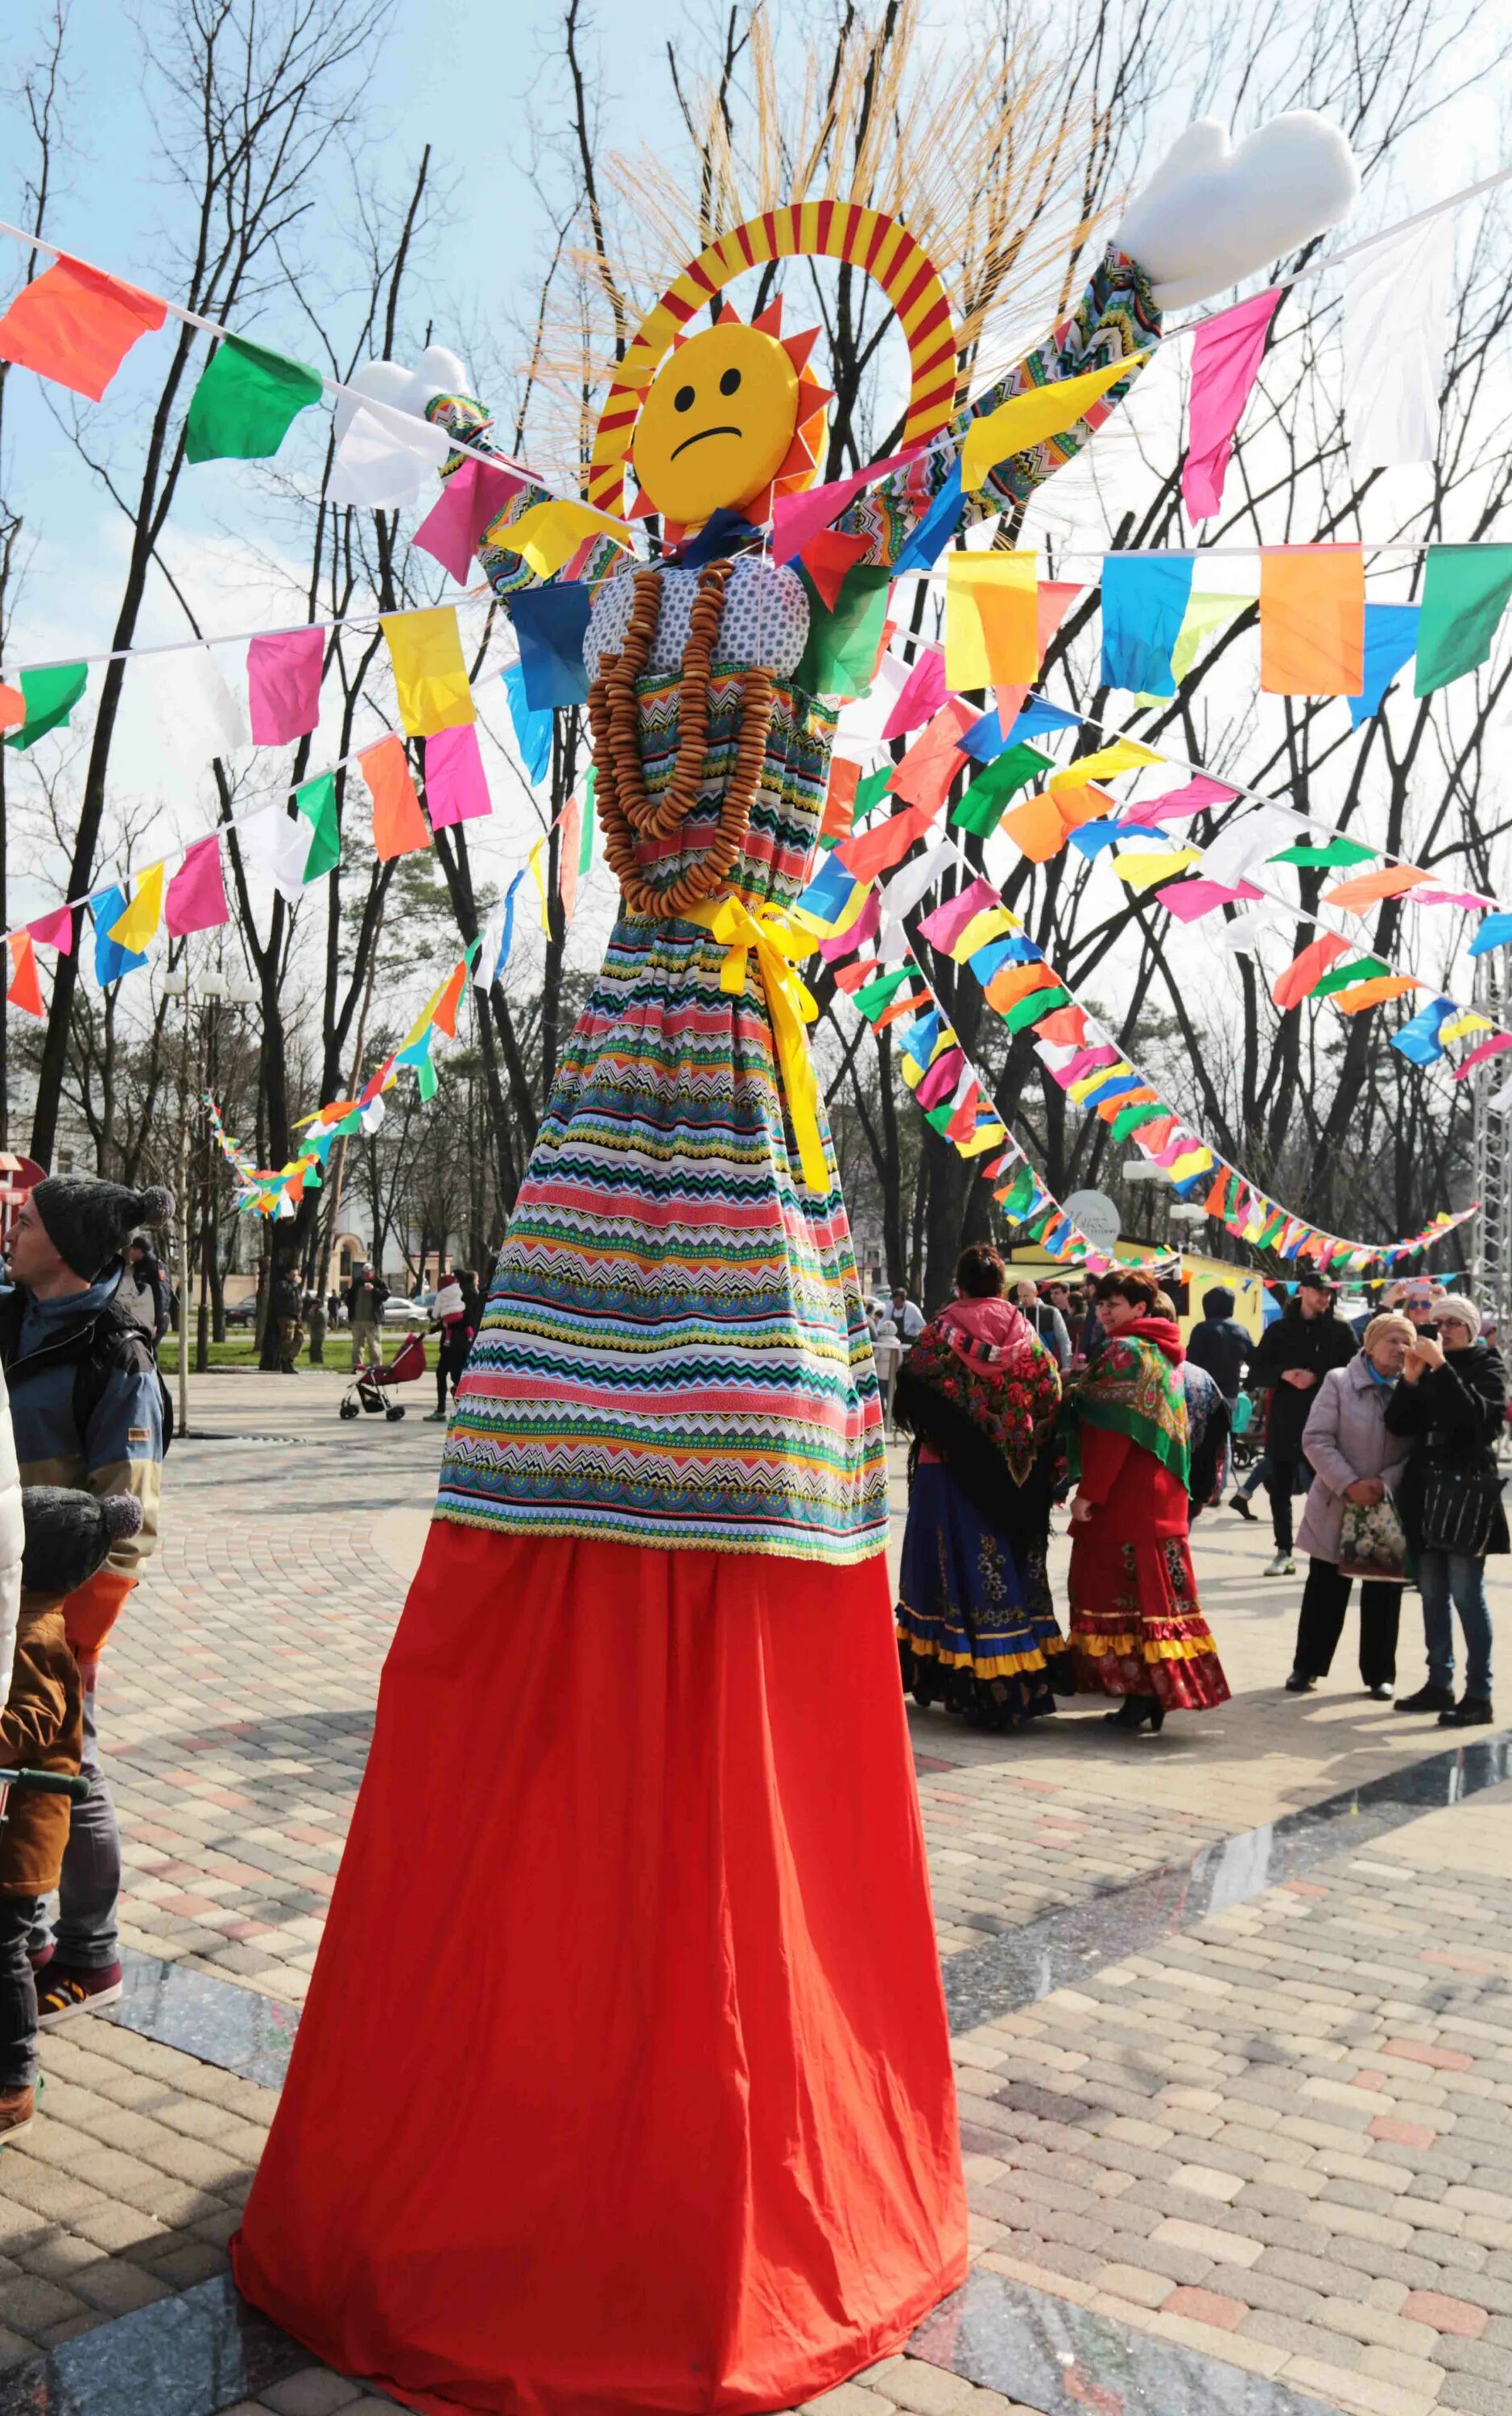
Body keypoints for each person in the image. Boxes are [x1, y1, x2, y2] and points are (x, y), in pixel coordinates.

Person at [233, 113, 1357, 2410]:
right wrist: (437, 457)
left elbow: (972, 482)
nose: (681, 426)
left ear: (790, 422)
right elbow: (513, 559)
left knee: (717, 1473)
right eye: (661, 408)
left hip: (714, 1060)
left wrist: (1122, 303)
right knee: (557, 1465)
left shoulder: (804, 569)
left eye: (723, 402)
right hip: (647, 1069)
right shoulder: (616, 594)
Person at [0, 1177, 169, 2021]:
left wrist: (81, 1640)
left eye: (23, 1220)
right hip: (7, 1582)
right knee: (16, 1763)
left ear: (60, 1247)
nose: (10, 1225)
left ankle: (92, 1952)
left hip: (65, 1600)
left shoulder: (119, 1357)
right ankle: (25, 1928)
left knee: (70, 1763)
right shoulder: (15, 1314)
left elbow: (131, 1521)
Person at [0, 1487, 142, 2139]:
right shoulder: (31, 1619)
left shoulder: (32, 1634)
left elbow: (24, 1723)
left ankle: (15, 2081)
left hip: (19, 1843)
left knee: (3, 1953)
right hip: (16, 1834)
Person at [894, 1244, 1065, 1729]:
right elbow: (1051, 1395)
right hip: (1012, 1477)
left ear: (960, 1283)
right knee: (1005, 1569)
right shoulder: (1028, 1335)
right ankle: (1012, 1673)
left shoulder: (939, 1333)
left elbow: (911, 1390)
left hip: (946, 1471)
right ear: (1002, 1284)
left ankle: (949, 1675)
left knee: (944, 1570)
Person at [1066, 1268, 1229, 1732]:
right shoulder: (1164, 1351)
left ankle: (1138, 1698)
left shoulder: (1123, 1353)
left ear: (1140, 1308)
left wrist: (1089, 1494)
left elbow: (1111, 1437)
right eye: (1100, 1304)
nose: (1103, 1312)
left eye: (1113, 1304)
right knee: (1156, 1602)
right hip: (1162, 1500)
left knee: (1121, 1602)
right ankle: (1155, 1696)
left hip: (1126, 1500)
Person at [1386, 1293, 1506, 1727]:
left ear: (1471, 1328)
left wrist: (1441, 1368)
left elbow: (1477, 1419)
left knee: (1465, 1594)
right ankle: (1440, 1681)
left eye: (1454, 1322)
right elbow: (1398, 1425)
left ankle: (1479, 1693)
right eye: (1438, 1322)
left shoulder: (1487, 1366)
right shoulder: (1430, 1367)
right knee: (1432, 1593)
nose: (1444, 1329)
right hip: (1425, 1488)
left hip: (1466, 1488)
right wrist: (1411, 1381)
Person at [1287, 1312, 1413, 1699]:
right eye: (1391, 1340)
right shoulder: (1339, 1381)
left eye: (1406, 1341)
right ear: (1370, 1344)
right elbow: (1317, 1439)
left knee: (1383, 1595)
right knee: (1325, 1590)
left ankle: (1379, 1675)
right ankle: (1306, 1668)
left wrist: (1385, 1483)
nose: (1399, 1348)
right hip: (1337, 1502)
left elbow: (1419, 1449)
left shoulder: (1413, 1389)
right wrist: (1349, 1483)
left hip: (1386, 1506)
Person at [1246, 1264, 1357, 1577]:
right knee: (1279, 1487)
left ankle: (1333, 1550)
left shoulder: (1339, 1330)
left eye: (1328, 1293)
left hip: (1327, 1421)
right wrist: (1283, 1374)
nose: (1324, 1298)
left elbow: (1355, 1369)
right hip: (1285, 1417)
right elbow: (1255, 1369)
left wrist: (1318, 1378)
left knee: (1328, 1486)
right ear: (1302, 1292)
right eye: (1318, 1291)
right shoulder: (1280, 1330)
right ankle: (1283, 1551)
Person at [1155, 1289, 1231, 1519]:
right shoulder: (1239, 1330)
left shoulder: (1135, 1370)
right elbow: (1217, 1435)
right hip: (1219, 1391)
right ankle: (1217, 1489)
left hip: (1151, 1487)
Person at [426, 1270, 481, 1422]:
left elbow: (450, 1319)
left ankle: (445, 1409)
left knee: (448, 1374)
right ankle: (459, 1407)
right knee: (455, 1374)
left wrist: (435, 1325)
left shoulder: (459, 1294)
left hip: (453, 1342)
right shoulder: (472, 1293)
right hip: (465, 1340)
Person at [1186, 1285, 1250, 1404]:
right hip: (1230, 1395)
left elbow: (1190, 1361)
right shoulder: (1242, 1331)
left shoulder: (1202, 1329)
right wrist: (1247, 1386)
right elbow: (1254, 1360)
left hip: (1204, 1393)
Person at [1013, 1279, 1070, 1373]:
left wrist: (1067, 1365)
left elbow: (1063, 1340)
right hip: (1021, 1368)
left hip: (1049, 1366)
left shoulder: (1051, 1312)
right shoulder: (1015, 1313)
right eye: (1020, 1296)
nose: (1023, 1300)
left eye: (1026, 1296)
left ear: (1035, 1294)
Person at [124, 1235, 171, 1347]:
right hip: (143, 1318)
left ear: (139, 1251)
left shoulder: (155, 1267)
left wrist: (155, 1324)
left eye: (132, 1250)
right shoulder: (138, 1267)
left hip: (155, 1320)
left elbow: (161, 1297)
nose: (130, 1253)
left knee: (150, 1354)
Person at [343, 1263, 387, 1371]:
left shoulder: (378, 1282)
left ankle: (376, 1366)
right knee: (357, 1344)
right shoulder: (357, 1282)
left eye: (368, 1273)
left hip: (372, 1320)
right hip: (357, 1320)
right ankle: (356, 1366)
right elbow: (350, 1298)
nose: (366, 1276)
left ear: (373, 1273)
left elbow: (385, 1295)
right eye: (364, 1273)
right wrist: (351, 1314)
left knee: (374, 1344)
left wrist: (374, 1290)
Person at [272, 1269, 303, 1373]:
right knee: (288, 1339)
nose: (295, 1277)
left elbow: (298, 1301)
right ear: (287, 1275)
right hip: (286, 1316)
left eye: (297, 1275)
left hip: (295, 1317)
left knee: (300, 1339)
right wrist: (295, 1283)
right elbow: (286, 1294)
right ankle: (285, 1362)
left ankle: (290, 1358)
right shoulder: (282, 1285)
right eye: (293, 1275)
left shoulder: (295, 1287)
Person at [305, 1291, 327, 1367]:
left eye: (313, 1305)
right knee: (313, 1348)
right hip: (316, 1333)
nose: (312, 1306)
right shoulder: (316, 1312)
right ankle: (314, 1361)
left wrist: (308, 1316)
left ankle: (319, 1361)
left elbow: (312, 1322)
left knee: (317, 1348)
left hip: (318, 1333)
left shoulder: (319, 1313)